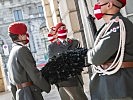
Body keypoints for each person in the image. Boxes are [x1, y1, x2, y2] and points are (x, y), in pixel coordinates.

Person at [87, 0, 133, 100]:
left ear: (109, 4)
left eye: (99, 2)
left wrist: (87, 54)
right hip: (113, 87)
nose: (97, 5)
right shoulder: (108, 26)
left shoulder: (118, 25)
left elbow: (96, 58)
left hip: (117, 87)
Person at [7, 22, 51, 100]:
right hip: (30, 93)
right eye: (24, 34)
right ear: (20, 36)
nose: (26, 36)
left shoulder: (12, 52)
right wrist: (47, 87)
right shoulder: (22, 50)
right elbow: (34, 73)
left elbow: (11, 81)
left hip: (20, 94)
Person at [48, 22, 88, 100]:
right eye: (59, 29)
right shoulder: (52, 47)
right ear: (56, 32)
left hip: (76, 79)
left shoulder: (75, 42)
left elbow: (81, 58)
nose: (62, 30)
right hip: (62, 82)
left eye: (64, 28)